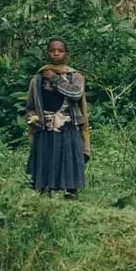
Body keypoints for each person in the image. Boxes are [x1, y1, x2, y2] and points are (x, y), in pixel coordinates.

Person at [25, 39, 90, 199]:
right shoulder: (38, 78)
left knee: (69, 157)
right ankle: (43, 189)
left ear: (66, 54)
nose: (56, 53)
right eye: (52, 50)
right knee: (45, 157)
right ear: (48, 53)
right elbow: (30, 105)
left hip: (68, 124)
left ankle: (71, 191)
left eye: (60, 51)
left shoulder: (74, 76)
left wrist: (55, 79)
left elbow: (76, 94)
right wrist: (31, 116)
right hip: (44, 125)